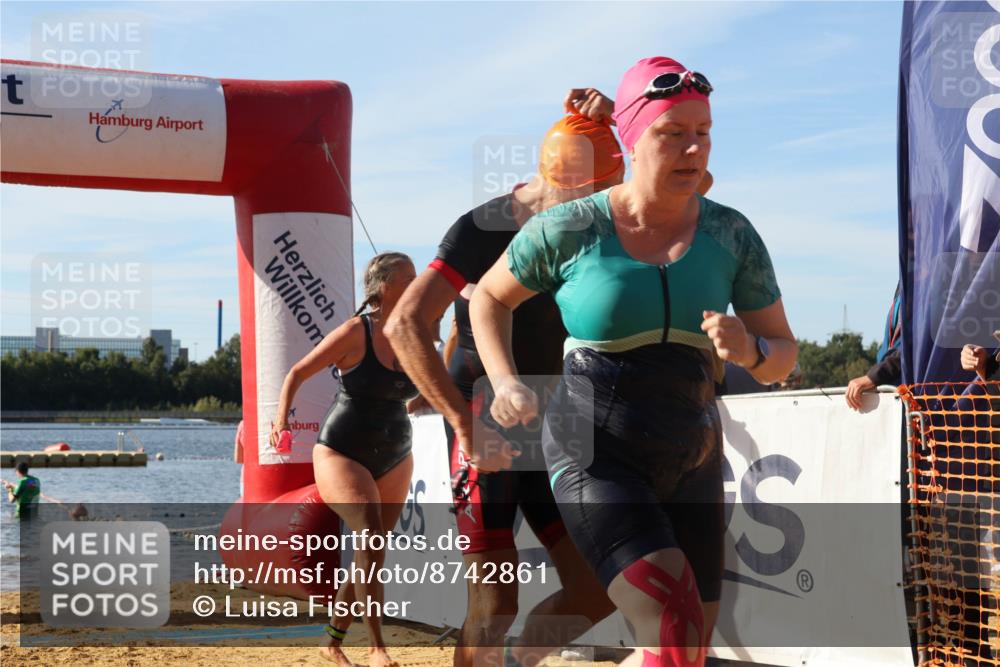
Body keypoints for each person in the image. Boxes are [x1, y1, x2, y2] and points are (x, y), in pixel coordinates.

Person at [469, 57, 797, 667]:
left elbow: (783, 356)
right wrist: (505, 380)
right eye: (671, 133)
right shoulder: (571, 229)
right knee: (671, 626)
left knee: (688, 647)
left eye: (702, 132)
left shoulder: (731, 235)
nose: (691, 147)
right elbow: (488, 297)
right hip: (594, 449)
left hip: (691, 452)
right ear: (630, 139)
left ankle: (514, 664)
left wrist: (751, 351)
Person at [385, 113, 625, 667]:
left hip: (555, 427)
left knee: (595, 588)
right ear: (563, 182)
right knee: (494, 604)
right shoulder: (484, 227)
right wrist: (463, 427)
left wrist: (617, 115)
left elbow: (684, 188)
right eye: (599, 195)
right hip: (484, 422)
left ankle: (519, 662)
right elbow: (404, 325)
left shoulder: (590, 218)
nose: (603, 211)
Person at [272, 252, 419, 667]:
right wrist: (281, 420)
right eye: (409, 277)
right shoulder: (357, 331)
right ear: (385, 286)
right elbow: (298, 372)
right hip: (342, 448)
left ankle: (332, 643)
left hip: (396, 452)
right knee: (370, 538)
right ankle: (376, 648)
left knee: (371, 553)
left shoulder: (414, 332)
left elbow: (428, 387)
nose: (418, 281)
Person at [846, 284, 902, 410]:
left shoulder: (932, 287)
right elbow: (892, 344)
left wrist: (874, 377)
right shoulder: (905, 283)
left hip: (917, 402)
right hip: (894, 398)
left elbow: (913, 349)